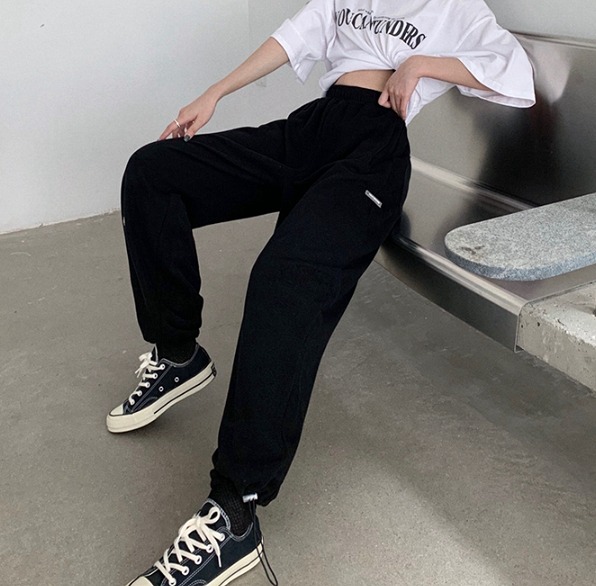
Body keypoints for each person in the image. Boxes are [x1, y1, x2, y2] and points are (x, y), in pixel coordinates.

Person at [108, 1, 535, 584]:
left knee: (283, 279)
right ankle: (178, 353)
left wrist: (422, 65)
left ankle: (235, 511)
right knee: (153, 172)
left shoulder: (452, 6)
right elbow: (291, 39)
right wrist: (215, 93)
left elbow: (516, 73)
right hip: (311, 129)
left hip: (372, 153)